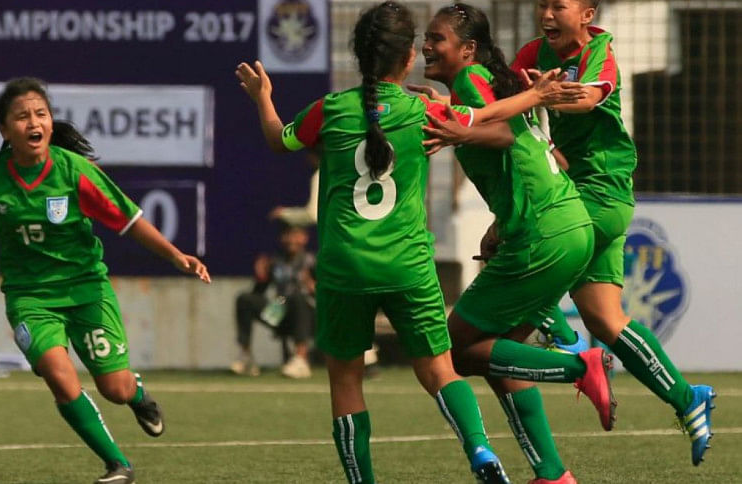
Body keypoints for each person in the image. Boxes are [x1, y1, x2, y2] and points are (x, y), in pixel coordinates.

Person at [236, 2, 588, 482]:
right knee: (441, 370)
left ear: (361, 56)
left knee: (346, 381)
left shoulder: (330, 109)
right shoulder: (423, 109)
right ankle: (481, 450)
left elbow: (280, 139)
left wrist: (263, 97)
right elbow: (486, 114)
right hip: (408, 264)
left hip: (345, 267)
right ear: (406, 59)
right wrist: (537, 95)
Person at [0, 77, 211, 484]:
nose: (34, 122)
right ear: (4, 130)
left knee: (115, 389)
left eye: (41, 114)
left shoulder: (74, 171)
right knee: (58, 375)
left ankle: (137, 393)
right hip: (30, 298)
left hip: (86, 289)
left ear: (50, 122)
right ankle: (118, 465)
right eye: (22, 116)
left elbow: (130, 219)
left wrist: (176, 256)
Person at [511, 0, 716, 467]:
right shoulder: (532, 53)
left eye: (559, 6)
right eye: (542, 4)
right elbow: (507, 97)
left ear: (587, 15)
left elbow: (586, 98)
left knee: (523, 252)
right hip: (577, 189)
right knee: (605, 319)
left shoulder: (599, 52)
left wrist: (537, 96)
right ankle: (688, 398)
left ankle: (562, 339)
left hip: (600, 191)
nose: (546, 14)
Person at [415, 4, 612, 483]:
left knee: (455, 351)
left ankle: (577, 366)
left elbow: (503, 134)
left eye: (437, 39)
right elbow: (550, 158)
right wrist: (504, 220)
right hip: (569, 224)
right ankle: (553, 474)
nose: (426, 46)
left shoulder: (470, 81)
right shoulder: (487, 84)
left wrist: (460, 131)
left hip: (542, 234)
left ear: (467, 49)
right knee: (497, 352)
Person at [231, 223, 316, 378]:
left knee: (297, 297)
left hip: (311, 316)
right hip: (280, 310)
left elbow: (327, 294)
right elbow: (258, 294)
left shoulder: (312, 261)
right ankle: (246, 357)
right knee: (245, 300)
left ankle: (301, 359)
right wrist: (261, 278)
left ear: (304, 238)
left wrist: (312, 286)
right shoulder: (276, 261)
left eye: (295, 235)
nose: (291, 240)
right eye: (287, 235)